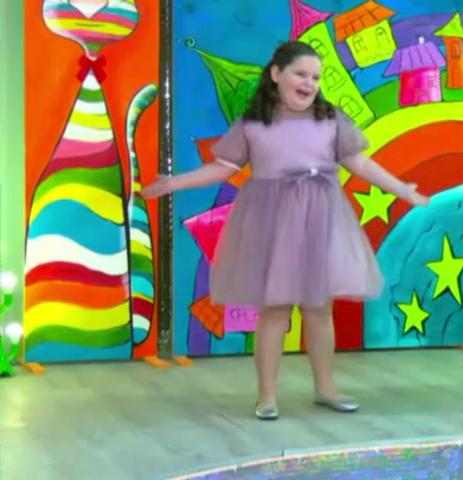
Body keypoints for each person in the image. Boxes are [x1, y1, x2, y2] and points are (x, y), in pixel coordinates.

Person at [142, 41, 429, 420]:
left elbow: (360, 163)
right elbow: (222, 168)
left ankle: (326, 387)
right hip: (273, 224)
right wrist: (173, 183)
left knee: (319, 308)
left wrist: (402, 189)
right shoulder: (253, 124)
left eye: (315, 77)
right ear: (276, 74)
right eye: (300, 74)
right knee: (275, 309)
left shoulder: (330, 119)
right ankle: (267, 395)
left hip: (321, 220)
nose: (309, 83)